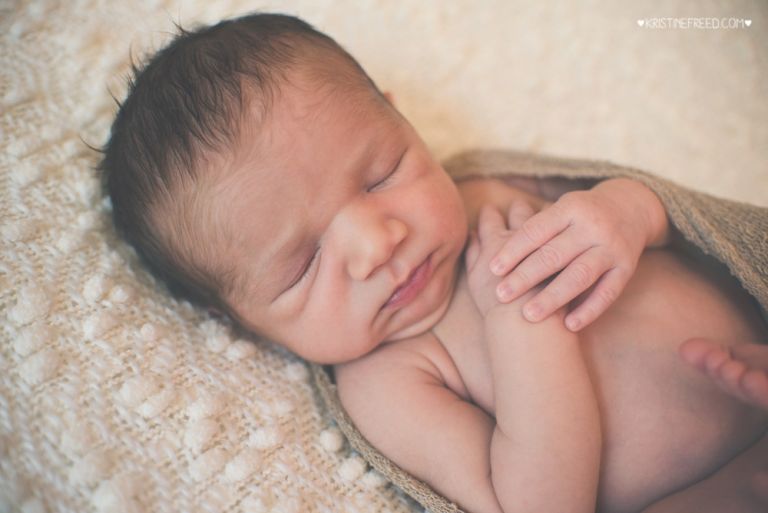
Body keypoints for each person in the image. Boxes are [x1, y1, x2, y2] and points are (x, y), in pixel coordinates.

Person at [99, 12, 768, 513]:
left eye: (382, 172)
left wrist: (631, 212)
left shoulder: (483, 191)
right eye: (304, 264)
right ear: (240, 321)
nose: (376, 242)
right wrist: (525, 331)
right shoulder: (386, 380)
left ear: (402, 120)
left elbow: (687, 226)